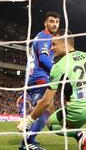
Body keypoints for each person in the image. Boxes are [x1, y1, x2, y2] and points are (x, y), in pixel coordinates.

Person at [21, 11, 60, 150]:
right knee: (46, 110)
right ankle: (27, 142)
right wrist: (59, 72)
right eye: (51, 21)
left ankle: (29, 139)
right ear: (45, 23)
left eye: (56, 22)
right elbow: (43, 59)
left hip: (35, 77)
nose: (54, 24)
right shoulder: (45, 36)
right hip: (39, 77)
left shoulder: (42, 36)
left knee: (46, 110)